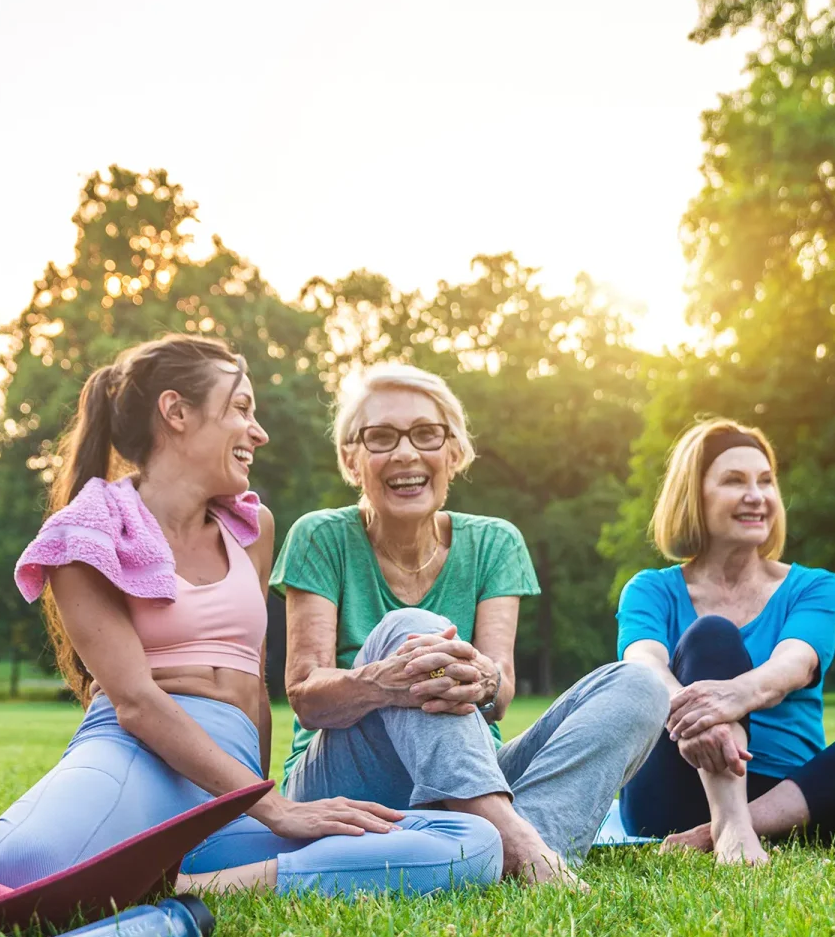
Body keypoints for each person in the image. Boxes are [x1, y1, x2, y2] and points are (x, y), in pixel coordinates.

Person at [0, 338, 501, 895]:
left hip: (229, 795)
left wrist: (258, 797)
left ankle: (199, 884)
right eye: (241, 409)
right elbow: (135, 702)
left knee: (471, 844)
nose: (258, 432)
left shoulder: (250, 531)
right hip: (136, 755)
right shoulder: (86, 536)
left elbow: (254, 687)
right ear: (176, 412)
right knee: (22, 875)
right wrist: (275, 807)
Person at [273, 364, 669, 888]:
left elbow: (498, 695)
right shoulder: (320, 536)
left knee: (639, 685)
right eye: (381, 437)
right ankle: (520, 844)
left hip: (471, 774)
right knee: (412, 628)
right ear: (352, 458)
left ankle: (490, 854)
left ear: (454, 452)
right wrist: (380, 682)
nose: (407, 454)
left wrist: (481, 679)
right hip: (343, 786)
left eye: (426, 434)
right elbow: (305, 694)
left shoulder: (495, 543)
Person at [617, 419, 835, 865]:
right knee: (713, 635)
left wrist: (733, 695)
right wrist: (694, 710)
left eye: (766, 481)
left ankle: (733, 825)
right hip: (674, 792)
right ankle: (727, 822)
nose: (757, 495)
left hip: (793, 797)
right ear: (694, 495)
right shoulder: (650, 589)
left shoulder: (813, 587)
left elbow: (796, 664)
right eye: (734, 481)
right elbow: (643, 662)